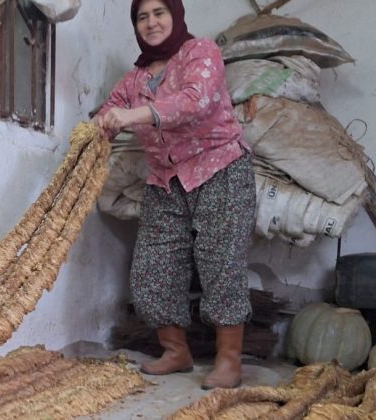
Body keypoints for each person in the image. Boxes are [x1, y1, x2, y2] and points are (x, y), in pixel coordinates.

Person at [93, 0, 255, 390]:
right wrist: (98, 126)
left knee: (222, 262)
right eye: (142, 17)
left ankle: (228, 361)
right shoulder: (133, 79)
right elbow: (109, 110)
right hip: (166, 181)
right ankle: (175, 351)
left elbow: (194, 101)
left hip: (219, 169)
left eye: (159, 13)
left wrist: (134, 117)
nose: (151, 23)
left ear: (176, 15)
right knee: (152, 267)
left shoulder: (200, 53)